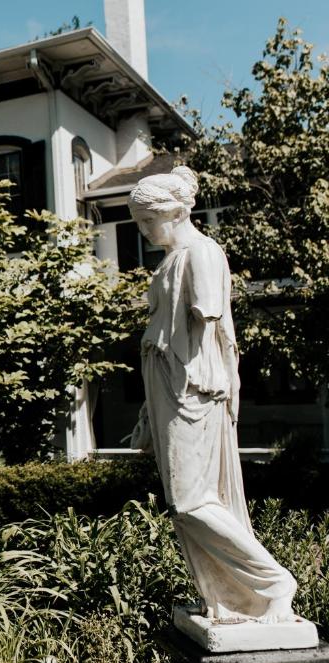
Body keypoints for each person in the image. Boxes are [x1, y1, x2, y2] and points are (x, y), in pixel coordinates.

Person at [128, 166, 297, 623]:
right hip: (169, 387)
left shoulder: (201, 254)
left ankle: (274, 581)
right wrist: (149, 408)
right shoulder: (171, 260)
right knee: (182, 505)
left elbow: (209, 328)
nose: (143, 230)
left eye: (148, 219)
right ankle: (228, 597)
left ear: (176, 211)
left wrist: (197, 391)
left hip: (192, 388)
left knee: (191, 500)